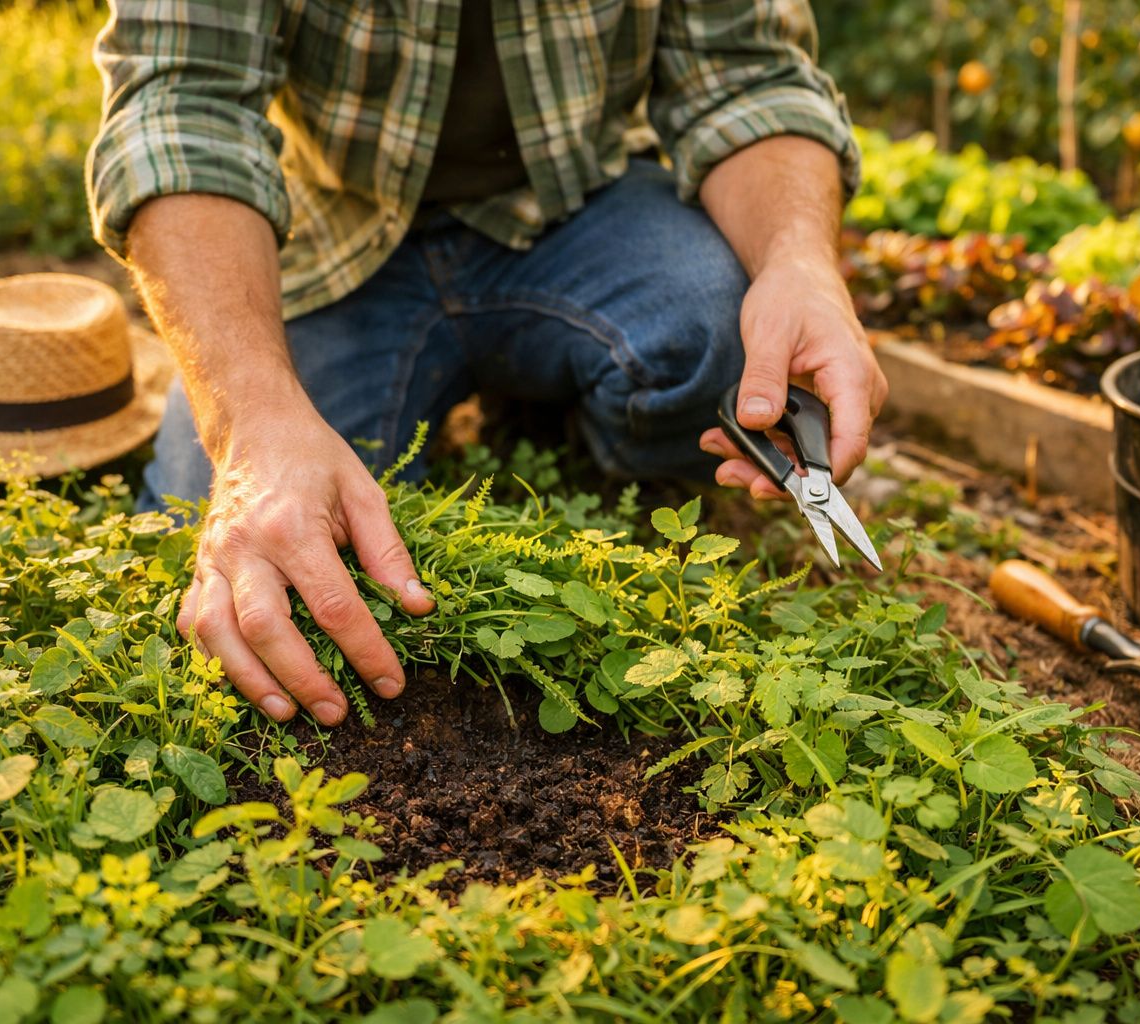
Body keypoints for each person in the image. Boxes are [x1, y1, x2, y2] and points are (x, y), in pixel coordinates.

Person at [86, 0, 888, 728]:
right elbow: (182, 108)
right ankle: (517, 402)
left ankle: (564, 425)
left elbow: (747, 76)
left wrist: (799, 263)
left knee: (726, 345)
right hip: (332, 233)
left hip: (577, 210)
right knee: (228, 544)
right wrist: (253, 423)